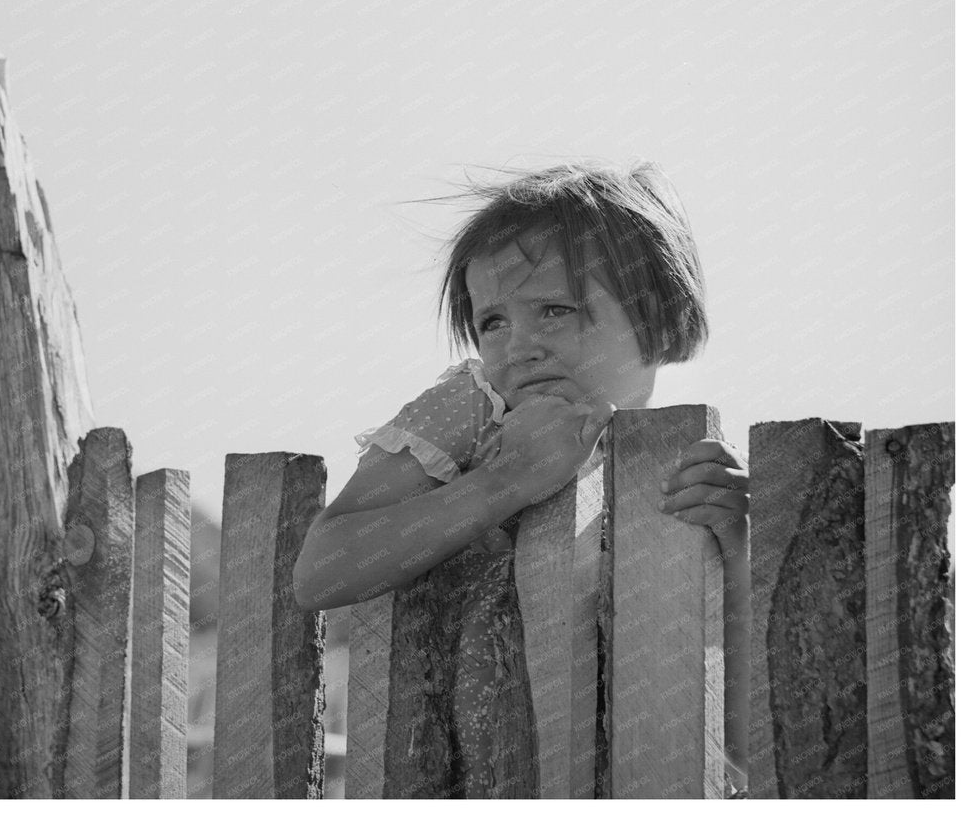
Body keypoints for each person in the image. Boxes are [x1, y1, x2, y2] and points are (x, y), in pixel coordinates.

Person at [291, 160, 749, 797]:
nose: (518, 346)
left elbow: (744, 728)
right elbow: (323, 571)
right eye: (493, 322)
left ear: (661, 324)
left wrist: (740, 545)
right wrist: (504, 480)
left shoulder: (685, 463)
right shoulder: (475, 410)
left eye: (555, 311)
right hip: (462, 768)